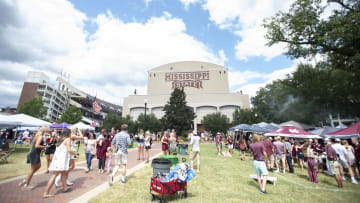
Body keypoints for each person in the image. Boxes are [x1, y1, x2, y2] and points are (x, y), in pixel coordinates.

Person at [43, 128, 77, 198]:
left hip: (59, 159)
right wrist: (75, 154)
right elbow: (69, 149)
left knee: (63, 173)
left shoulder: (60, 139)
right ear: (68, 133)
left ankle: (65, 187)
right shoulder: (67, 139)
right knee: (55, 175)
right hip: (61, 160)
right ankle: (46, 193)